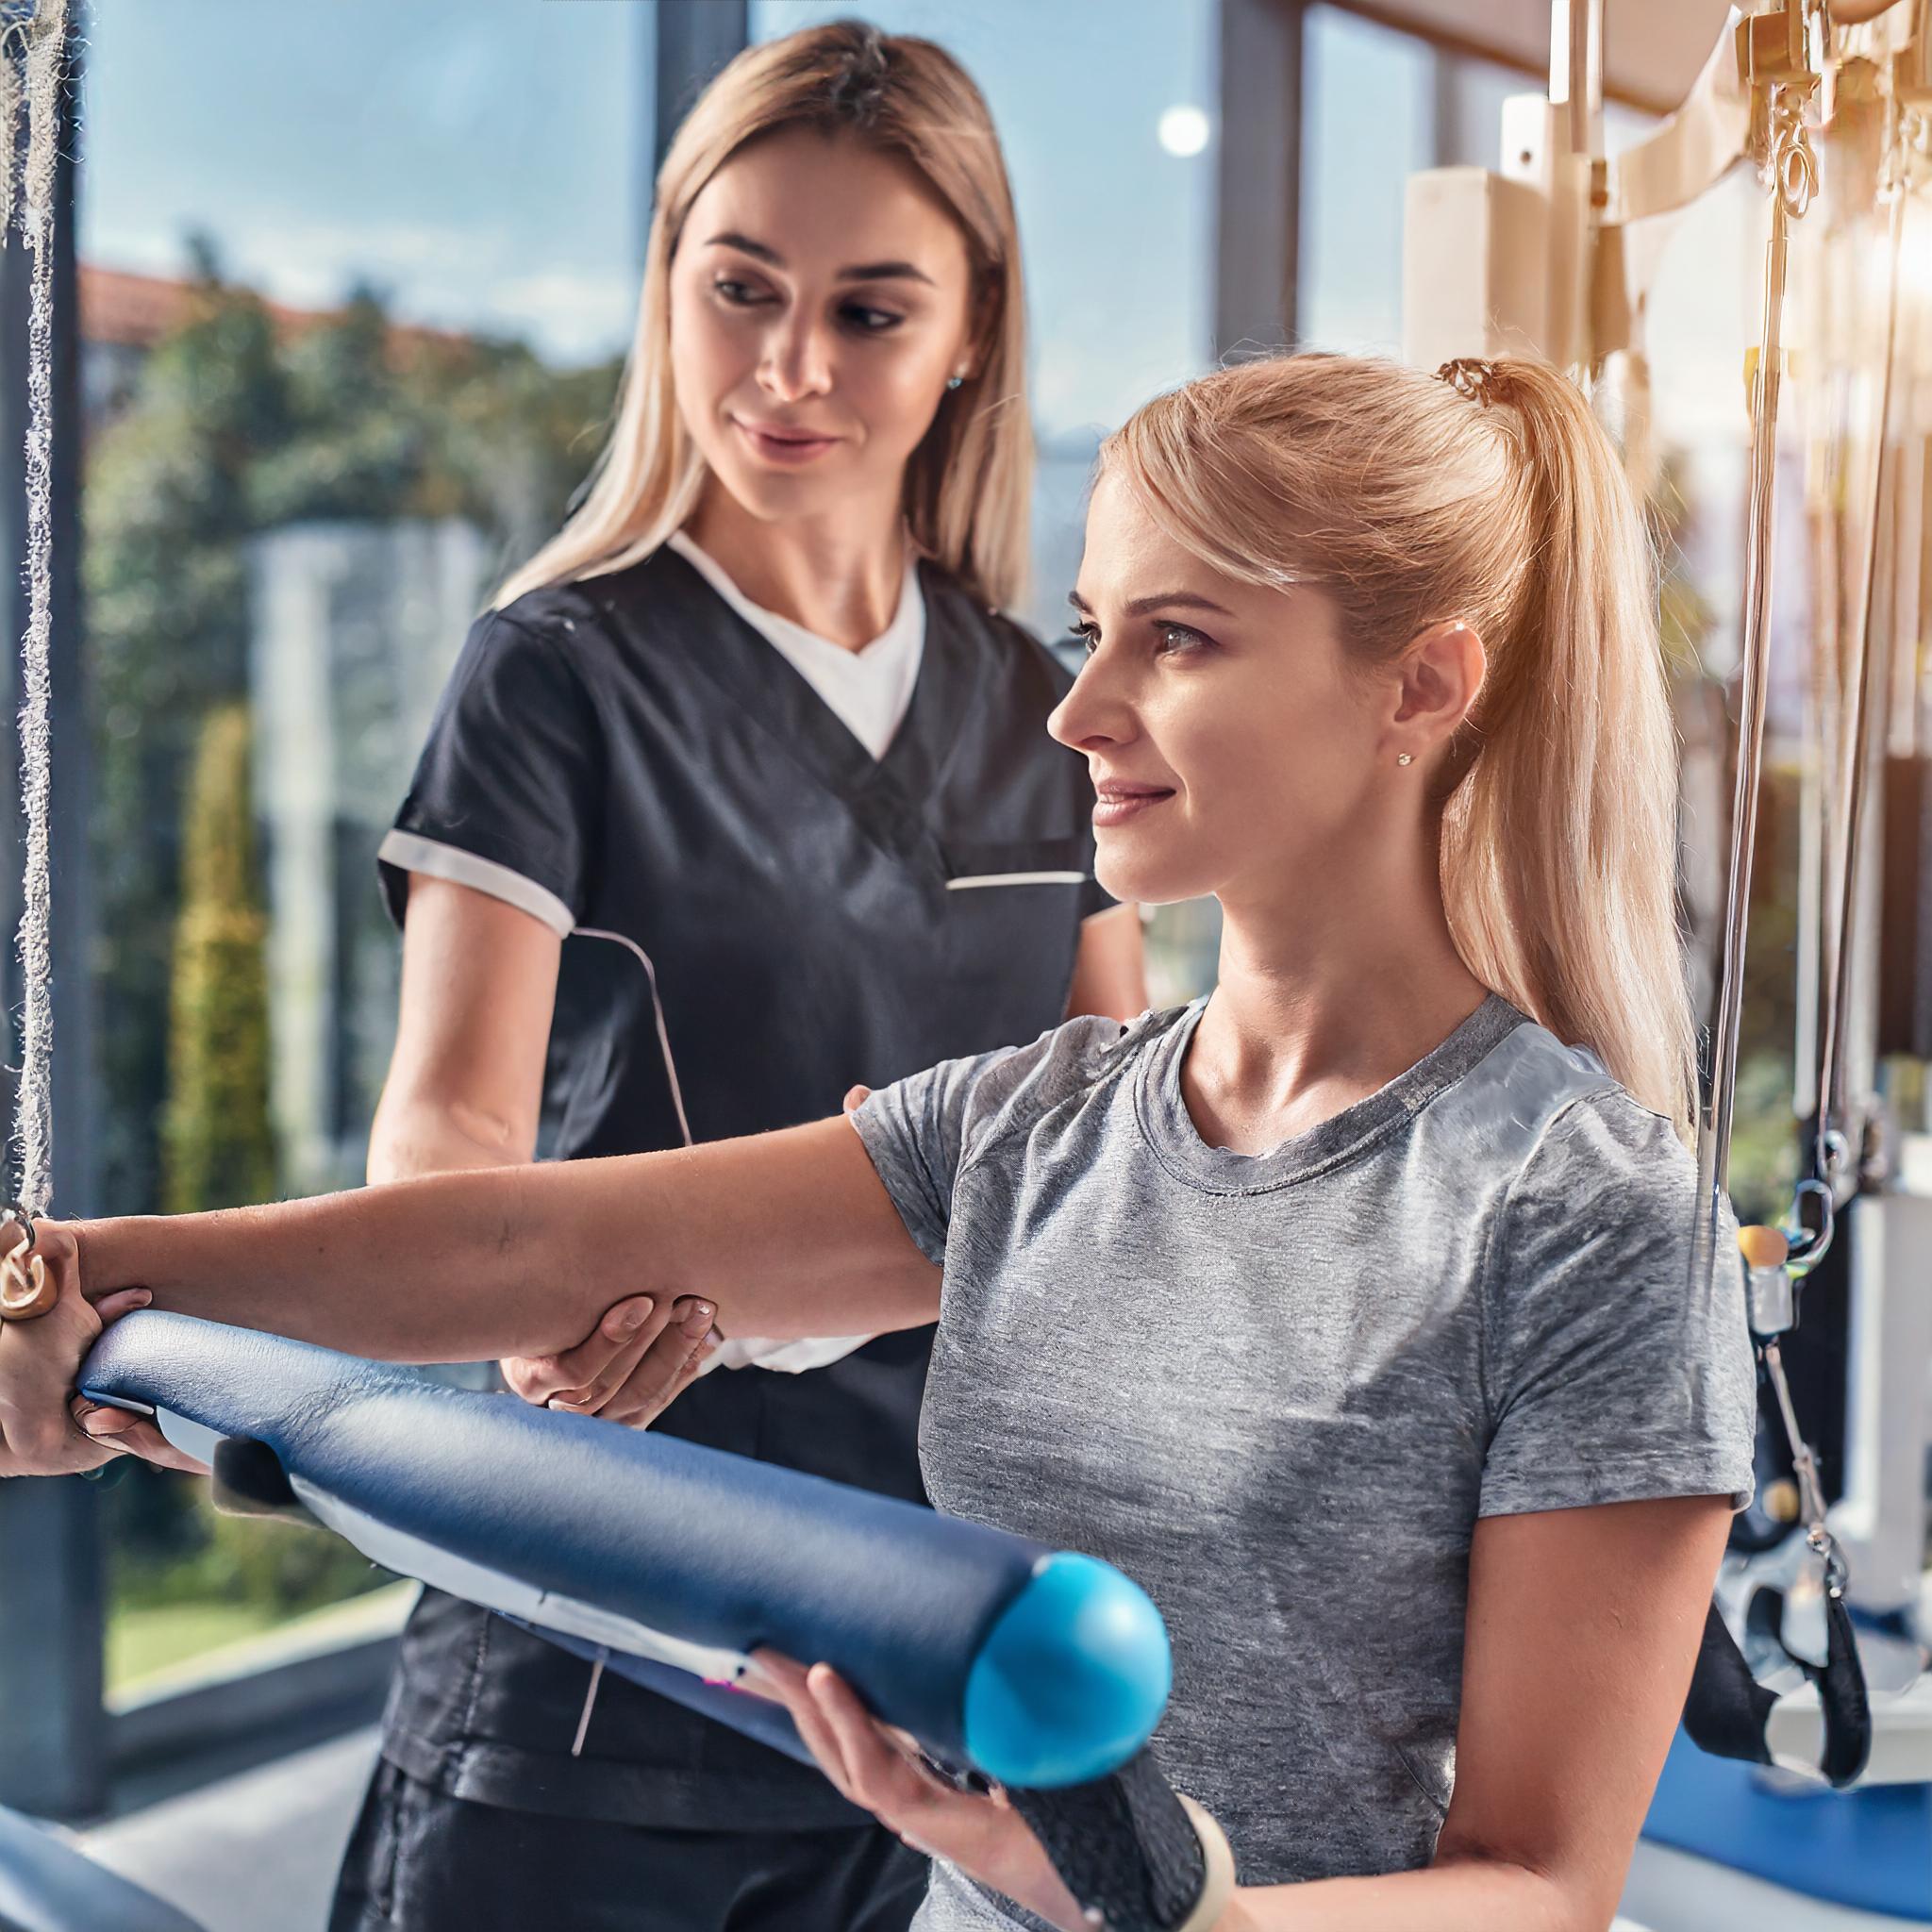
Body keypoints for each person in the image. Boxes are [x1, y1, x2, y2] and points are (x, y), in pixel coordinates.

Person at [2, 350, 1757, 1932]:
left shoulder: (1581, 1211)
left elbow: (1543, 1883)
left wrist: (1183, 1913)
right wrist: (68, 1278)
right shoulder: (1034, 1123)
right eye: (1092, 627)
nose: (1076, 710)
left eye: (1180, 638)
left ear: (1420, 685)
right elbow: (524, 1245)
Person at [232, 22, 1147, 1932]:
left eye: (868, 311)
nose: (789, 366)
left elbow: (1124, 1159)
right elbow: (448, 1128)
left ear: (971, 332)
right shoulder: (555, 675)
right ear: (669, 287)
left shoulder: (1042, 712)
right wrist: (515, 1316)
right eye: (740, 289)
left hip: (909, 1675)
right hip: (587, 1648)